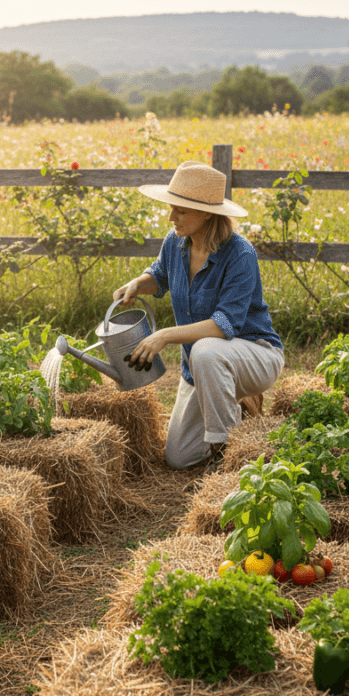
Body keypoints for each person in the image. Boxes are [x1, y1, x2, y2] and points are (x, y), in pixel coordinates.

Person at [113, 161, 283, 470]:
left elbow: (223, 326)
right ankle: (232, 405)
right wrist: (138, 283)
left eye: (179, 210)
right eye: (171, 208)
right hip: (202, 366)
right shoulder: (175, 242)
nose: (171, 217)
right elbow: (159, 276)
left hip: (255, 353)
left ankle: (230, 452)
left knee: (205, 351)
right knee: (179, 457)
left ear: (205, 212)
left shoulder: (240, 254)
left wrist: (163, 335)